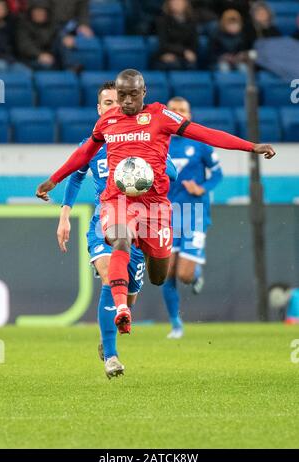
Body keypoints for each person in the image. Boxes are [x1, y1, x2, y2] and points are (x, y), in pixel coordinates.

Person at [36, 68, 275, 338]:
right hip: (118, 200)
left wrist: (250, 146)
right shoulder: (107, 123)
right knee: (120, 240)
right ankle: (121, 309)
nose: (126, 101)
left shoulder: (160, 116)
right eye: (122, 95)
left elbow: (204, 133)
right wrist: (53, 180)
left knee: (159, 276)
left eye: (132, 95)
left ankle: (143, 274)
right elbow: (83, 155)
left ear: (143, 92)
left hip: (155, 207)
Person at [57, 81, 177, 378]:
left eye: (117, 101)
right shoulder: (94, 144)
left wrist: (150, 172)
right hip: (105, 220)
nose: (114, 107)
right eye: (107, 103)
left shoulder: (142, 140)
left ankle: (109, 331)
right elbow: (74, 176)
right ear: (99, 109)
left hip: (140, 221)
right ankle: (112, 357)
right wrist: (65, 213)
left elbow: (171, 170)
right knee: (109, 274)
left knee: (127, 296)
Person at [162, 97, 223, 339]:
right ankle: (176, 324)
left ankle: (195, 275)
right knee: (166, 273)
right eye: (173, 110)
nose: (177, 114)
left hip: (194, 214)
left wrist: (203, 187)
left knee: (184, 275)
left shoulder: (201, 143)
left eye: (182, 110)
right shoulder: (158, 142)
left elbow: (218, 174)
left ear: (189, 114)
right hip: (164, 215)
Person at [155, 0, 198, 70]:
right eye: (173, 1)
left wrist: (188, 53)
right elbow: (163, 44)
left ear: (185, 4)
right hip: (165, 54)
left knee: (191, 65)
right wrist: (183, 51)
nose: (176, 3)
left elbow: (195, 44)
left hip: (185, 57)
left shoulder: (192, 21)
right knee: (174, 65)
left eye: (179, 1)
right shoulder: (162, 20)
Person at [16, 0, 58, 70]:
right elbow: (24, 45)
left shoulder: (53, 26)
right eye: (37, 11)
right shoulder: (23, 25)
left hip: (50, 58)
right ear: (31, 13)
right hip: (28, 59)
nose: (39, 14)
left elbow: (57, 44)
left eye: (42, 12)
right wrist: (39, 55)